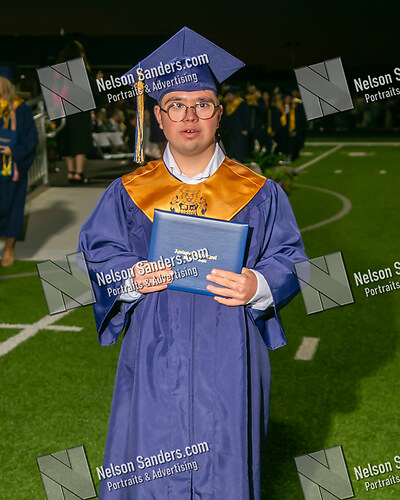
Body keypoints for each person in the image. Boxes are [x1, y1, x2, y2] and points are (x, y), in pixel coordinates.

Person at [79, 27, 307, 500]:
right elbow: (99, 253)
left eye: (202, 104)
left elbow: (291, 257)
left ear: (219, 115)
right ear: (158, 117)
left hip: (231, 349)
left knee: (224, 465)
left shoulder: (258, 193)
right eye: (176, 105)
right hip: (154, 350)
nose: (189, 116)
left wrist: (259, 284)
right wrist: (131, 275)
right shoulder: (128, 193)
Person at [0, 62, 38, 267]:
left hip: (12, 168)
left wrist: (13, 151)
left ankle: (9, 248)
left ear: (6, 83)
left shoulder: (20, 109)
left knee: (14, 209)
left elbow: (31, 140)